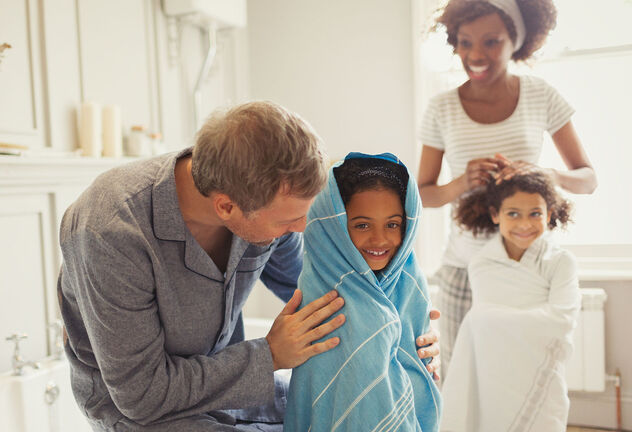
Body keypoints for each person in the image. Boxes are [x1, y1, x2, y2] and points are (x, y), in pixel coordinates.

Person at [57, 101, 441, 431]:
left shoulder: (267, 203)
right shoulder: (111, 229)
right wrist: (271, 354)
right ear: (226, 206)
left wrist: (398, 321)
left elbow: (323, 291)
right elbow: (142, 395)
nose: (301, 229)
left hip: (229, 388)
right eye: (286, 223)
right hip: (143, 414)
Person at [417, 0, 597, 379]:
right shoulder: (441, 108)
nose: (475, 55)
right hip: (463, 268)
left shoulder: (540, 95)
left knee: (521, 375)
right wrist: (463, 183)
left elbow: (587, 178)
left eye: (491, 42)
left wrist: (544, 173)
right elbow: (423, 195)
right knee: (458, 376)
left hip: (525, 267)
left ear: (516, 40)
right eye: (465, 43)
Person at [285, 153, 441, 432]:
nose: (380, 239)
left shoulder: (408, 283)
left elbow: (420, 365)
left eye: (392, 224)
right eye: (362, 225)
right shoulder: (322, 296)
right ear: (334, 228)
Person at [440, 171, 579, 431]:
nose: (524, 224)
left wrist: (487, 319)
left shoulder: (561, 262)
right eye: (513, 213)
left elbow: (562, 320)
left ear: (549, 214)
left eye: (535, 213)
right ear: (496, 215)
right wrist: (488, 320)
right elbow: (485, 332)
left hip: (541, 369)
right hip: (492, 372)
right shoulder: (481, 263)